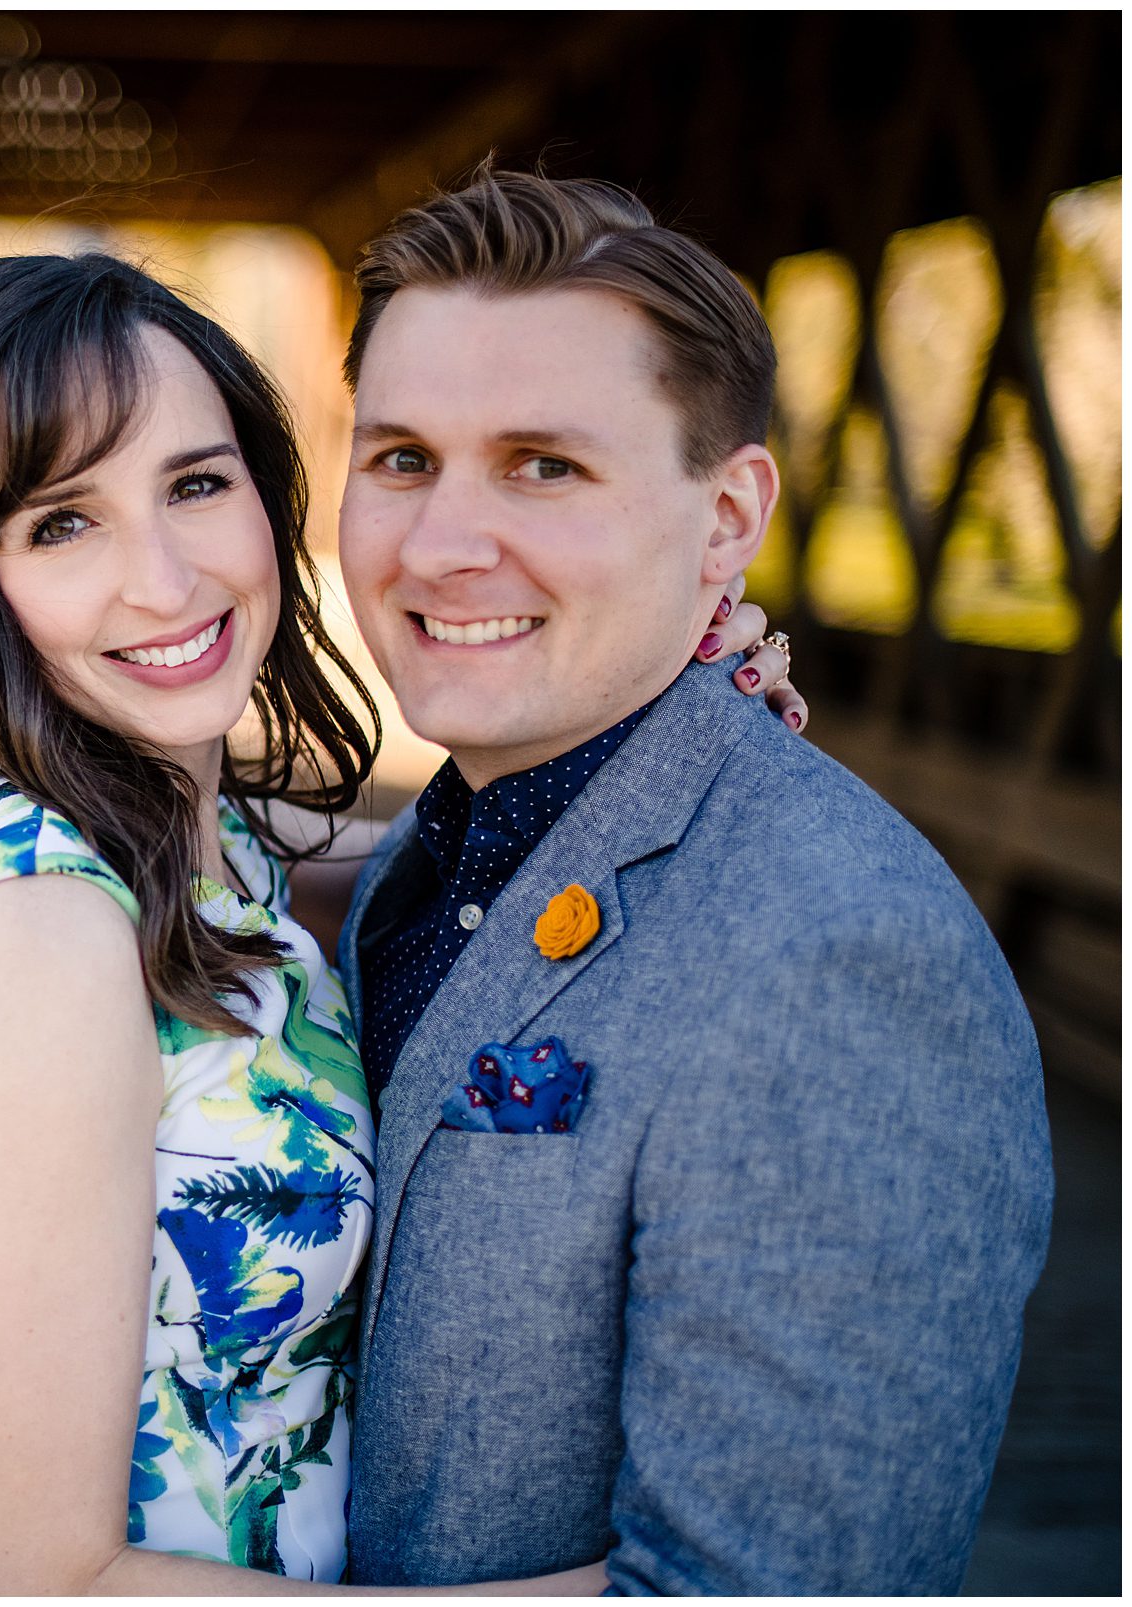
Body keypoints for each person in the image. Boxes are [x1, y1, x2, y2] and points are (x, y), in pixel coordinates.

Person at [0, 246, 794, 1592]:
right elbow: (33, 1582)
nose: (164, 581)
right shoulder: (40, 942)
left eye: (195, 485)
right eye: (62, 524)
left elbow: (423, 874)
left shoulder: (183, 839)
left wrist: (656, 680)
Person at [326, 168, 1052, 1592]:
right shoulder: (428, 862)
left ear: (726, 520)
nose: (443, 545)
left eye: (545, 466)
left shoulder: (837, 956)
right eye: (402, 458)